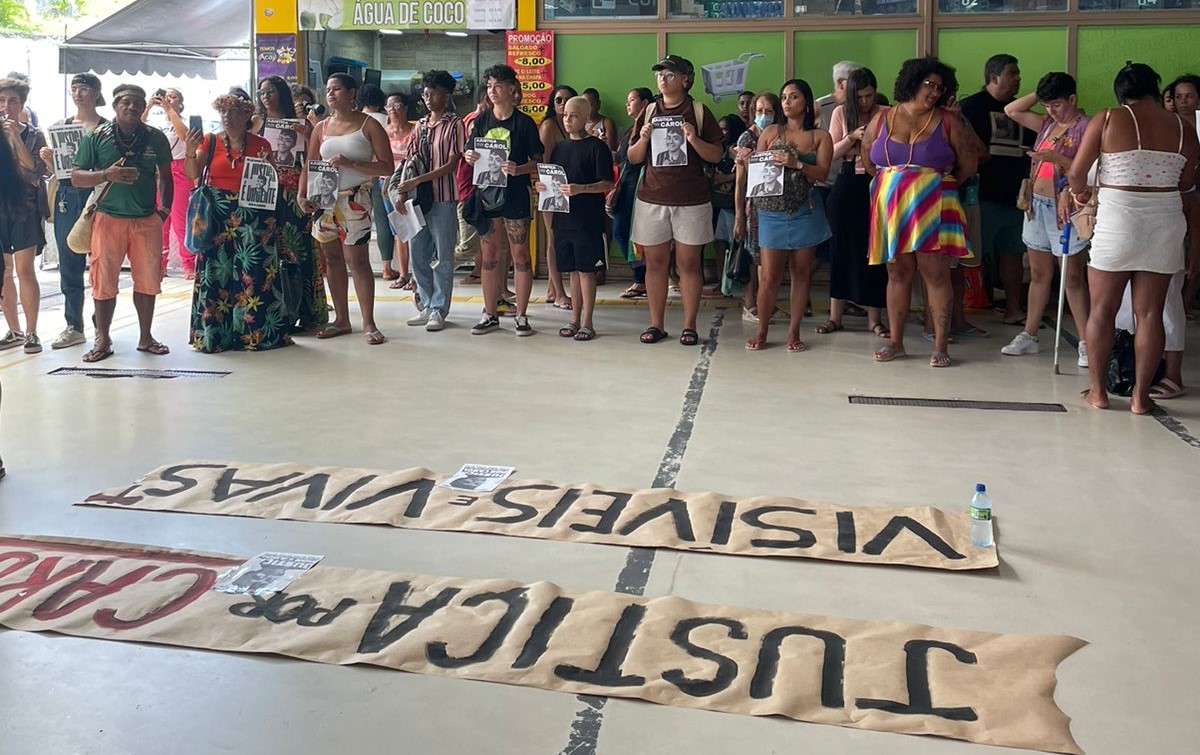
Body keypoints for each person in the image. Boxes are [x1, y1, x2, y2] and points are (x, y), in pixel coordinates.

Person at [1068, 62, 1199, 414]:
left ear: (1120, 92)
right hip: (1166, 223)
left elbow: (1077, 173)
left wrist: (1081, 196)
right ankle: (1141, 398)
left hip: (1118, 222)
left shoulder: (1109, 118)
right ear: (1156, 90)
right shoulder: (1185, 129)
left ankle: (1098, 392)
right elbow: (1186, 185)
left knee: (1103, 309)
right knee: (1151, 313)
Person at [862, 57, 978, 367]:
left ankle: (941, 344)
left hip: (935, 202)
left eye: (940, 88)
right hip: (892, 205)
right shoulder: (882, 117)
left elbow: (969, 162)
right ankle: (895, 341)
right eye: (930, 85)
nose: (935, 92)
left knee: (935, 273)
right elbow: (869, 157)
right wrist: (894, 182)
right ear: (913, 83)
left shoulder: (947, 120)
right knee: (897, 272)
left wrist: (937, 184)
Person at [71, 84, 173, 362]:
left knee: (148, 279)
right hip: (108, 217)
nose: (132, 107)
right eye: (126, 102)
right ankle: (102, 338)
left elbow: (166, 175)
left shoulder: (155, 137)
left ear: (144, 107)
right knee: (103, 281)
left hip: (146, 219)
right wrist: (107, 174)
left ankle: (146, 336)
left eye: (138, 103)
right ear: (115, 106)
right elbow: (77, 176)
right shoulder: (97, 136)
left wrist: (163, 212)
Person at [627, 55, 724, 346]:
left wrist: (693, 138)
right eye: (659, 74)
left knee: (689, 263)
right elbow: (632, 158)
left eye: (669, 74)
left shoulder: (698, 111)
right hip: (652, 197)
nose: (663, 79)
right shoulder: (648, 111)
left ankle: (689, 325)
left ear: (685, 79)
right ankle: (656, 324)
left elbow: (717, 155)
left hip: (691, 199)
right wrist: (643, 138)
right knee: (655, 263)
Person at [183, 95, 289, 352]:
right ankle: (215, 334)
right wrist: (189, 151)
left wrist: (270, 165)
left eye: (234, 112)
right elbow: (193, 174)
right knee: (216, 272)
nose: (228, 117)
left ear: (246, 117)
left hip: (252, 215)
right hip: (217, 215)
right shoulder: (209, 142)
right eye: (224, 112)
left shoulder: (261, 143)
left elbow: (273, 181)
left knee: (253, 272)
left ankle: (253, 334)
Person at [1000, 73, 1091, 365]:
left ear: (1073, 100)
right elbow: (1011, 110)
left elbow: (1088, 171)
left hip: (1065, 206)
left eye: (1058, 104)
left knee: (1072, 279)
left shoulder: (1085, 129)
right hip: (1036, 206)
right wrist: (1040, 94)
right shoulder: (1047, 123)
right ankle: (1030, 334)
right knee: (1039, 274)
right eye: (1047, 104)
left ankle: (1087, 341)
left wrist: (1058, 160)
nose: (1052, 110)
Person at [299, 73, 394, 345]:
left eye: (337, 89)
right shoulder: (322, 127)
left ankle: (369, 322)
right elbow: (310, 162)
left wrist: (350, 163)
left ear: (352, 93)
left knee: (358, 261)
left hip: (356, 198)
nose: (330, 94)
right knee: (331, 260)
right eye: (328, 90)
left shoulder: (369, 125)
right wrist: (302, 194)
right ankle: (341, 318)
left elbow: (387, 166)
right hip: (325, 199)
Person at [745, 79, 832, 352]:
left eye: (794, 96)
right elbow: (757, 172)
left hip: (805, 209)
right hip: (771, 211)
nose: (787, 102)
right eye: (784, 97)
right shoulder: (770, 132)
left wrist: (796, 164)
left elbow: (823, 173)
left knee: (801, 272)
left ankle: (793, 332)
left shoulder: (820, 137)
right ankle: (762, 330)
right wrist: (748, 160)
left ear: (806, 101)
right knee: (769, 276)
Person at [462, 64, 544, 336]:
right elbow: (469, 151)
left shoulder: (525, 123)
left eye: (497, 86)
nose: (492, 91)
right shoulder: (482, 120)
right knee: (489, 255)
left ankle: (521, 314)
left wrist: (519, 169)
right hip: (487, 194)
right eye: (488, 86)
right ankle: (489, 312)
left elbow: (539, 162)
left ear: (512, 89)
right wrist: (469, 157)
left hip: (516, 193)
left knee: (520, 254)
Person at [960, 53, 1033, 325]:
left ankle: (1014, 308)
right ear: (994, 77)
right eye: (1012, 73)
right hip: (978, 195)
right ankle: (958, 313)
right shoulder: (969, 108)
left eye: (1017, 73)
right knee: (968, 257)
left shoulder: (1021, 111)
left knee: (1012, 254)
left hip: (1014, 196)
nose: (1018, 79)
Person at [391, 69, 465, 333]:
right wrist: (401, 193)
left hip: (443, 198)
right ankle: (425, 302)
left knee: (443, 256)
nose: (428, 97)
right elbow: (409, 163)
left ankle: (439, 308)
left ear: (447, 94)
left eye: (434, 92)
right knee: (417, 254)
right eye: (425, 92)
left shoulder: (455, 124)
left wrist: (418, 181)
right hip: (417, 200)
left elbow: (452, 163)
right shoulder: (420, 126)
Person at [536, 96, 613, 341]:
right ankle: (574, 319)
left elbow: (607, 183)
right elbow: (555, 180)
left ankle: (588, 322)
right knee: (572, 272)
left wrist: (582, 189)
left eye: (574, 116)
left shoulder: (597, 148)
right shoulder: (560, 148)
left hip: (587, 219)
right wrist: (543, 186)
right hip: (563, 218)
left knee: (586, 271)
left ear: (585, 117)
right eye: (565, 115)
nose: (568, 120)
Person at [821, 67, 890, 338]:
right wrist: (851, 138)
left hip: (876, 183)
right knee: (840, 250)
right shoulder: (840, 113)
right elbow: (830, 153)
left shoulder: (885, 112)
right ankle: (835, 316)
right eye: (860, 97)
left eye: (869, 95)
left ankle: (875, 318)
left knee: (874, 251)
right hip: (847, 181)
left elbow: (889, 149)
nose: (865, 102)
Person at [38, 73, 106, 350]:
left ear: (96, 93)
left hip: (98, 196)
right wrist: (50, 163)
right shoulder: (61, 126)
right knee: (69, 262)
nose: (78, 94)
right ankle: (73, 324)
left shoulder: (106, 128)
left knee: (102, 261)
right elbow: (60, 173)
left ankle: (102, 322)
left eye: (84, 89)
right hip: (68, 195)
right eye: (74, 89)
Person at [255, 78, 327, 333]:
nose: (265, 96)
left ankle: (308, 311)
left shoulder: (300, 123)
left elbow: (313, 158)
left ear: (281, 94)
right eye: (261, 92)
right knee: (270, 251)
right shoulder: (256, 123)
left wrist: (307, 136)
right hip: (266, 192)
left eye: (270, 92)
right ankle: (277, 312)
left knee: (301, 251)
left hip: (295, 192)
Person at [0, 77, 48, 354]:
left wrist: (15, 138)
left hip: (26, 208)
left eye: (13, 101)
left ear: (22, 104)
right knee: (4, 271)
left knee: (25, 269)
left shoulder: (33, 134)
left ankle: (32, 332)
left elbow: (33, 172)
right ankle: (14, 330)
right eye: (3, 100)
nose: (6, 106)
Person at [733, 92, 787, 326]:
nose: (763, 115)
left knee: (770, 259)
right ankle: (750, 304)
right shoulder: (746, 138)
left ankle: (767, 304)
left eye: (768, 111)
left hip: (777, 205)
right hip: (753, 206)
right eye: (759, 111)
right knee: (753, 257)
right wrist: (738, 216)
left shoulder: (781, 135)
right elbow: (740, 182)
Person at [144, 87, 194, 278]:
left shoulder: (185, 120)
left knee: (181, 219)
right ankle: (160, 263)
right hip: (159, 170)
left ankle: (188, 263)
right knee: (160, 219)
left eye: (173, 97)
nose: (168, 99)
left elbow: (184, 136)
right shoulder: (155, 122)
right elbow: (137, 128)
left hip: (180, 170)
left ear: (180, 102)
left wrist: (169, 110)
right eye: (166, 97)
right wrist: (148, 106)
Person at [539, 84, 579, 310]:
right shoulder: (549, 126)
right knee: (554, 240)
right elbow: (544, 163)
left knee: (562, 238)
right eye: (559, 100)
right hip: (552, 188)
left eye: (568, 100)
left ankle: (552, 288)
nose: (563, 104)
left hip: (569, 189)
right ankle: (560, 294)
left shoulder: (574, 126)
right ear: (552, 104)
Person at [612, 87, 653, 300]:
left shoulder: (650, 128)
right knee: (621, 232)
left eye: (632, 100)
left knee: (637, 236)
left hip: (641, 186)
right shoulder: (630, 130)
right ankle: (640, 277)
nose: (627, 104)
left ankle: (643, 279)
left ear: (645, 103)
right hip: (625, 186)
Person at [1170, 75, 1200, 315]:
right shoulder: (1169, 125)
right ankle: (1174, 305)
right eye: (1178, 96)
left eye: (1189, 96)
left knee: (1197, 253)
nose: (1183, 102)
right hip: (1176, 194)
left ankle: (1186, 305)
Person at [382, 92, 416, 287]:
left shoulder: (415, 130)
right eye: (389, 106)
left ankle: (416, 277)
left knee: (414, 228)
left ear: (405, 108)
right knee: (399, 229)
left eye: (397, 105)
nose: (392, 110)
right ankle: (403, 275)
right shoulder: (383, 132)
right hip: (387, 184)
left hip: (409, 183)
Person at [582, 88, 618, 153]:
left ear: (598, 104)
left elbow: (611, 149)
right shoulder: (579, 123)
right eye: (584, 106)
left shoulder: (606, 123)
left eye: (590, 105)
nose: (587, 109)